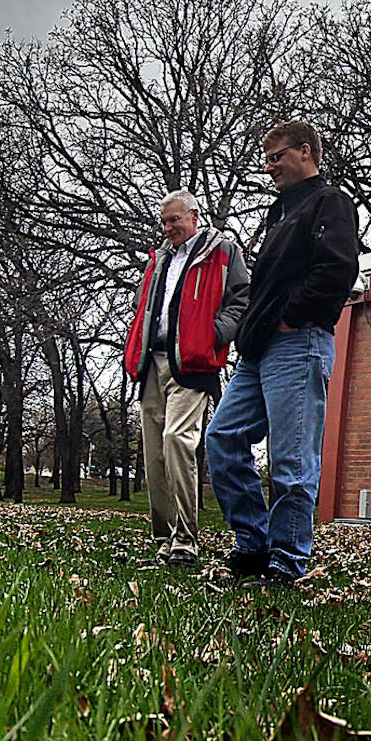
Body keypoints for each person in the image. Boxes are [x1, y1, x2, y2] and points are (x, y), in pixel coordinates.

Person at [206, 121, 361, 584]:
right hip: (257, 350)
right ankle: (254, 543)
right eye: (267, 159)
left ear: (305, 152)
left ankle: (288, 560)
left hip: (298, 343)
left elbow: (337, 269)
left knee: (291, 457)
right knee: (223, 438)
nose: (270, 167)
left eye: (277, 157)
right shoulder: (280, 212)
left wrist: (292, 316)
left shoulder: (329, 202)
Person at [123, 190, 249, 565]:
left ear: (194, 216)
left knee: (177, 439)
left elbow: (241, 299)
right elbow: (142, 304)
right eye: (164, 222)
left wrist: (214, 334)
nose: (168, 228)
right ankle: (164, 539)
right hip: (152, 360)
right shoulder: (159, 259)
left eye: (174, 220)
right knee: (154, 452)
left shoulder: (222, 251)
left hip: (192, 362)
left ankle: (185, 540)